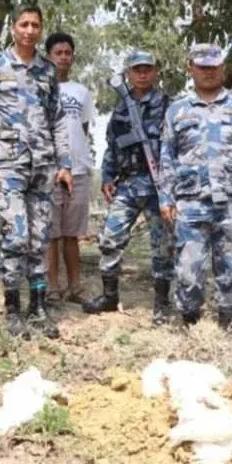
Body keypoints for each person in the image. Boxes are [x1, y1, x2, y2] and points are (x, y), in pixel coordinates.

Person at [0, 3, 72, 339]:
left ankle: (38, 307)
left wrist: (64, 164)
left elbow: (58, 120)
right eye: (24, 24)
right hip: (8, 164)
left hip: (42, 164)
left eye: (35, 25)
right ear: (13, 27)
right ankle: (13, 309)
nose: (29, 30)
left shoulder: (47, 70)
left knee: (39, 238)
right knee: (16, 236)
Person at [159, 43, 232, 329]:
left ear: (223, 68)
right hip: (190, 200)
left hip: (231, 198)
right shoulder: (176, 110)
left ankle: (228, 319)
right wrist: (165, 198)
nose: (208, 72)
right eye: (202, 67)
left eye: (214, 66)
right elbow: (167, 157)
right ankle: (190, 319)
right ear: (190, 69)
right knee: (188, 266)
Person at [82, 51, 175, 323]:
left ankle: (161, 304)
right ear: (129, 74)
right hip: (128, 184)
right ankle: (110, 297)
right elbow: (112, 146)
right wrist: (107, 177)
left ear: (155, 72)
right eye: (137, 70)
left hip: (159, 187)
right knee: (109, 240)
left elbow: (178, 147)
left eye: (147, 69)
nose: (142, 74)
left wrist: (173, 186)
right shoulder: (121, 108)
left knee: (162, 247)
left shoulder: (168, 105)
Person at [42, 32, 96, 303]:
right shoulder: (40, 88)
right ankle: (52, 287)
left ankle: (75, 286)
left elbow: (82, 129)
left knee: (72, 234)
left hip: (78, 170)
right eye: (58, 53)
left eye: (67, 53)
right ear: (48, 57)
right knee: (51, 234)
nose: (63, 58)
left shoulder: (81, 92)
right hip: (49, 171)